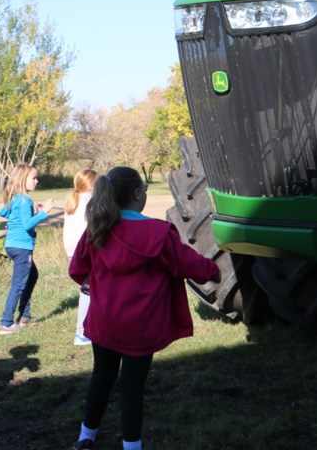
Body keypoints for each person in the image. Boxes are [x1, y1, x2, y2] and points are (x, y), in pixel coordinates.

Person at [68, 166, 220, 450]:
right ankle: (131, 447)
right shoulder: (158, 233)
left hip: (103, 324)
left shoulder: (97, 229)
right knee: (131, 388)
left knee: (102, 376)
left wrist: (96, 283)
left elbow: (77, 269)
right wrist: (213, 271)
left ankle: (85, 438)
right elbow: (187, 263)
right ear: (138, 193)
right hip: (140, 328)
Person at [0, 163, 54, 335]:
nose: (37, 181)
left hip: (11, 245)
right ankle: (6, 323)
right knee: (19, 283)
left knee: (32, 275)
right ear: (23, 180)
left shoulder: (16, 198)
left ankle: (24, 315)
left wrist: (33, 211)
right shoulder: (24, 200)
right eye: (33, 178)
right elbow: (27, 225)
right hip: (22, 247)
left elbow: (4, 213)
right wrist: (44, 213)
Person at [63, 168, 97, 346]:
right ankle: (82, 332)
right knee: (88, 290)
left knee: (89, 288)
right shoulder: (89, 202)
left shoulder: (72, 201)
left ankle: (89, 327)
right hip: (84, 252)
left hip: (73, 251)